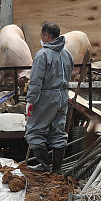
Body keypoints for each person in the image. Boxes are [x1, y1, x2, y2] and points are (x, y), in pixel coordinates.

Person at [25, 22, 72, 173]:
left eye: (41, 34)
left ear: (46, 36)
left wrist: (31, 100)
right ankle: (57, 169)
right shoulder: (67, 54)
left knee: (34, 130)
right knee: (58, 131)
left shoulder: (42, 55)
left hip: (46, 97)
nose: (40, 37)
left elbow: (36, 81)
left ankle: (44, 165)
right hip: (63, 95)